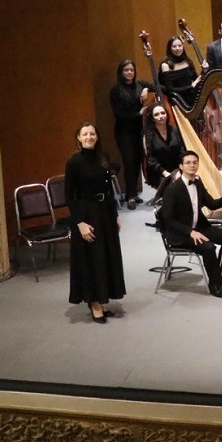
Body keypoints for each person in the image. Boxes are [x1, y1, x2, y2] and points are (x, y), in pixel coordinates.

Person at [65, 123, 125, 323]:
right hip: (86, 212)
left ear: (97, 137)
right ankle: (94, 302)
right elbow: (69, 196)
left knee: (105, 256)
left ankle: (102, 297)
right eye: (85, 134)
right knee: (91, 258)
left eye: (92, 133)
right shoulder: (74, 162)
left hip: (105, 211)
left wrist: (115, 215)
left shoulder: (103, 159)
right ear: (79, 138)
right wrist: (79, 223)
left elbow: (109, 191)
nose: (89, 136)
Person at [158, 151, 222, 298]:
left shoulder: (198, 183)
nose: (192, 165)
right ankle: (214, 284)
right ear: (181, 166)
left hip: (199, 227)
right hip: (181, 234)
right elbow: (168, 219)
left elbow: (212, 204)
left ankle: (218, 275)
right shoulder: (172, 189)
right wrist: (190, 232)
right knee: (209, 247)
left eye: (195, 162)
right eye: (188, 162)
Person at [109, 59, 149, 209]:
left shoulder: (139, 85)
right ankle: (130, 196)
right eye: (126, 70)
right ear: (121, 72)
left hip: (138, 130)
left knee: (137, 161)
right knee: (129, 162)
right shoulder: (116, 90)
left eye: (132, 70)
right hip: (124, 132)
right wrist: (139, 114)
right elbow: (119, 114)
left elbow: (157, 86)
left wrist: (146, 89)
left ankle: (132, 193)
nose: (130, 72)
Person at [143, 104, 183, 195]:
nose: (160, 116)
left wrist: (181, 170)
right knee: (173, 187)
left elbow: (181, 151)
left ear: (166, 114)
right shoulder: (149, 135)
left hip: (176, 168)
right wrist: (166, 174)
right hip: (159, 172)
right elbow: (151, 160)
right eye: (156, 114)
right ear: (152, 118)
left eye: (162, 113)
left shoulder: (174, 130)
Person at [158, 36, 202, 108]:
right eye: (174, 46)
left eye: (179, 46)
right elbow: (170, 90)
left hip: (192, 99)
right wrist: (191, 86)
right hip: (176, 101)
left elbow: (197, 80)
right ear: (170, 49)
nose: (177, 48)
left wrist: (204, 70)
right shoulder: (165, 65)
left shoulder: (188, 62)